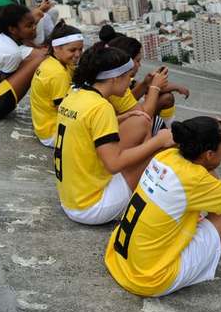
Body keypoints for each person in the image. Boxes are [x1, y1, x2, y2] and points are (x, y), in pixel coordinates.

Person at [104, 117, 221, 297]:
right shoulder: (195, 179)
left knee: (217, 203)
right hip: (150, 278)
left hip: (121, 260)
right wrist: (211, 168)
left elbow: (203, 172)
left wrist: (211, 139)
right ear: (209, 154)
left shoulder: (166, 156)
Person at [54, 42, 173, 225]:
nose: (130, 81)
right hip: (92, 207)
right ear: (115, 79)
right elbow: (114, 164)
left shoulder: (76, 94)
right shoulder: (101, 108)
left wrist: (124, 117)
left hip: (71, 198)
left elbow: (84, 127)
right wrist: (157, 142)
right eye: (127, 76)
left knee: (141, 121)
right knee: (162, 151)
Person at [104, 33, 190, 132]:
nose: (139, 65)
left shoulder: (109, 79)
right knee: (166, 100)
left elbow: (129, 100)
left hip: (119, 125)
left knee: (165, 98)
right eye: (137, 61)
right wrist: (155, 87)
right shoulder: (115, 84)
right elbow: (144, 116)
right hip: (120, 133)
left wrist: (146, 84)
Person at [30, 21, 84, 147]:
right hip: (52, 133)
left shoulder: (53, 62)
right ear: (56, 48)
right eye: (72, 50)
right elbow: (65, 110)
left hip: (44, 125)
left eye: (80, 49)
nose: (78, 54)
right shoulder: (57, 73)